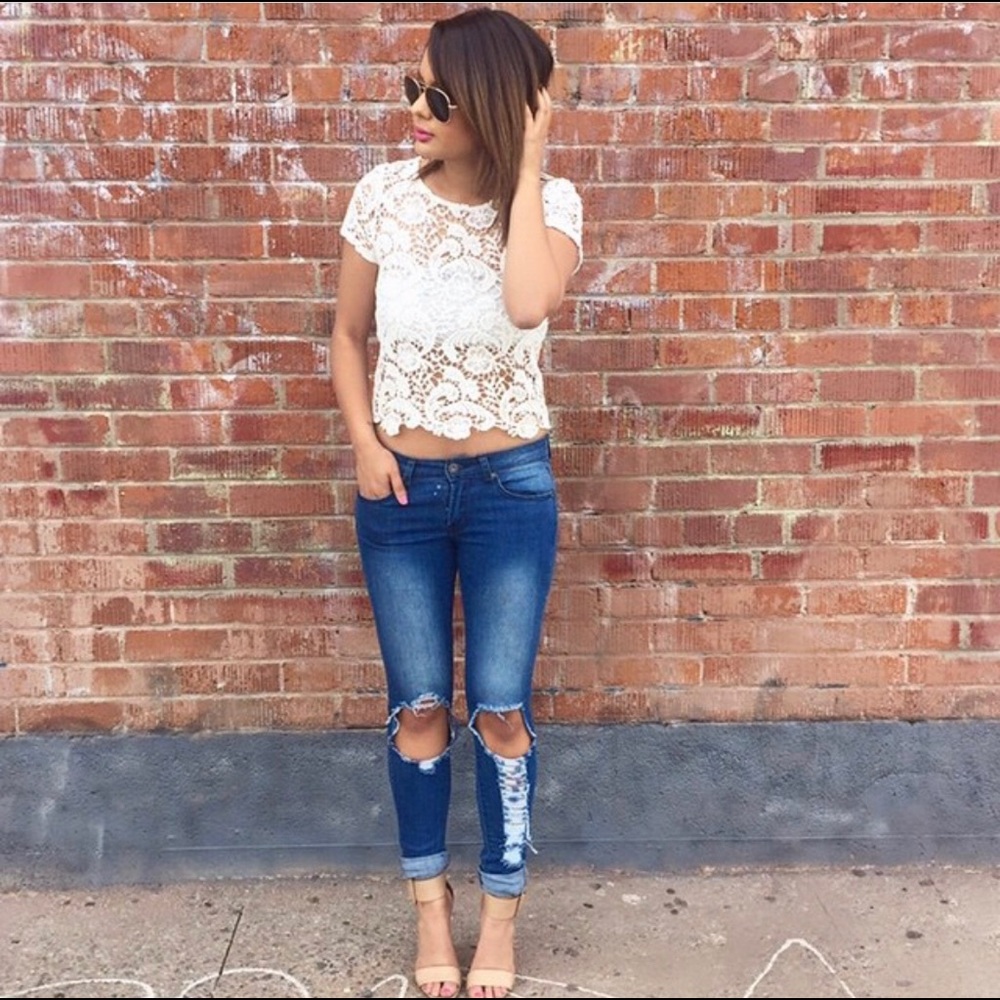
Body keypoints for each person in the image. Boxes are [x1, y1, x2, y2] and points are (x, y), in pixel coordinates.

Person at [330, 8, 582, 998]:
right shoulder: (382, 197)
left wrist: (526, 162)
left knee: (503, 711)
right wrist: (361, 438)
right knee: (420, 710)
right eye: (410, 87)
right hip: (398, 486)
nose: (415, 109)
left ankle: (503, 919)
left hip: (508, 489)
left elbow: (526, 302)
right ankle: (431, 911)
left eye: (437, 94)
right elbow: (348, 335)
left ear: (488, 103)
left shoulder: (553, 205)